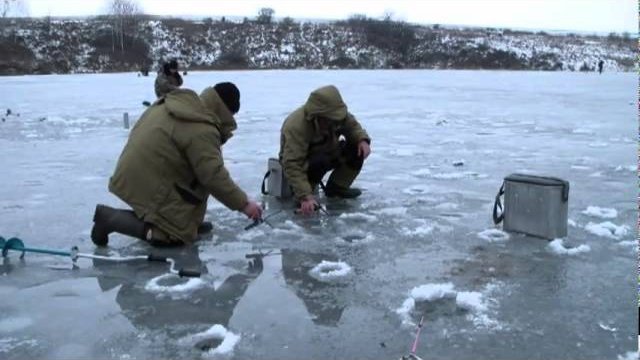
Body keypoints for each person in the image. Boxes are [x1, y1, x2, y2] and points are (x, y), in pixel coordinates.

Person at [91, 82, 262, 247]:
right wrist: (244, 204)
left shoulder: (187, 106)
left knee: (190, 193)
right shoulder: (202, 127)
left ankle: (186, 224)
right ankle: (107, 219)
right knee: (170, 237)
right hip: (148, 176)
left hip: (141, 168)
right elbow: (212, 175)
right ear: (226, 112)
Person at [279, 85, 371, 216]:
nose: (335, 123)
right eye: (330, 120)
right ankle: (304, 192)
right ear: (318, 116)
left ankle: (337, 188)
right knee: (319, 162)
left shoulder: (337, 115)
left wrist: (362, 140)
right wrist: (305, 196)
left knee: (356, 149)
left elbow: (352, 126)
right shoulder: (296, 126)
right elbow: (292, 164)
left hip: (328, 152)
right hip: (306, 164)